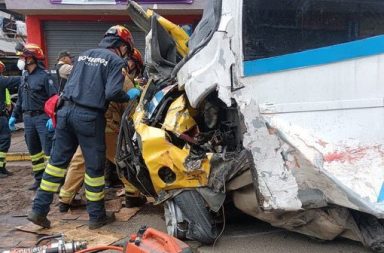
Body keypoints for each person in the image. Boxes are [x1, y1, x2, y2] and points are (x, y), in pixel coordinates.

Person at [28, 25, 142, 230]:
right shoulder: (115, 61)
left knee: (56, 164)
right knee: (94, 168)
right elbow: (112, 93)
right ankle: (97, 217)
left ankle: (38, 210)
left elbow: (69, 84)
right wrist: (130, 95)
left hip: (65, 113)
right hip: (89, 117)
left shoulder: (83, 55)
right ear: (122, 46)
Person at [58, 48, 146, 212]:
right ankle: (133, 194)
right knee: (122, 159)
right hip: (107, 127)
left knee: (80, 160)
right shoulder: (120, 73)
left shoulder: (93, 69)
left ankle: (65, 198)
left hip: (88, 122)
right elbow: (128, 105)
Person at [9, 43, 57, 189]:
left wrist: (52, 117)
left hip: (42, 118)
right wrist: (14, 115)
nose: (21, 60)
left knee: (48, 151)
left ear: (32, 59)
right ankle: (39, 179)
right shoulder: (24, 77)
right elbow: (21, 100)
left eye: (24, 57)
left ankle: (52, 182)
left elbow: (54, 98)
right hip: (28, 118)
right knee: (34, 151)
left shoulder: (44, 76)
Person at [0, 61, 22, 178]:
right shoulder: (1, 80)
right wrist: (27, 75)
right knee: (4, 141)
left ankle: (2, 168)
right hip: (0, 117)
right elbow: (15, 80)